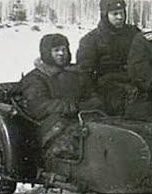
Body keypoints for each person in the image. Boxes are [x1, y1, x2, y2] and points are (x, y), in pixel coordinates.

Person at [19, 34, 103, 162]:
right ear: (47, 53)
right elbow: (39, 106)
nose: (61, 54)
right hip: (49, 124)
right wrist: (70, 107)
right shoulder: (36, 77)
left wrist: (92, 104)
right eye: (56, 50)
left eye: (64, 49)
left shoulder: (77, 73)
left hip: (80, 117)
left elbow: (92, 95)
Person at [76, 0, 140, 115]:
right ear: (105, 15)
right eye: (115, 14)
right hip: (107, 89)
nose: (120, 17)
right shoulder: (91, 40)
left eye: (122, 13)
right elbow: (84, 73)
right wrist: (92, 97)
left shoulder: (134, 34)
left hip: (135, 81)